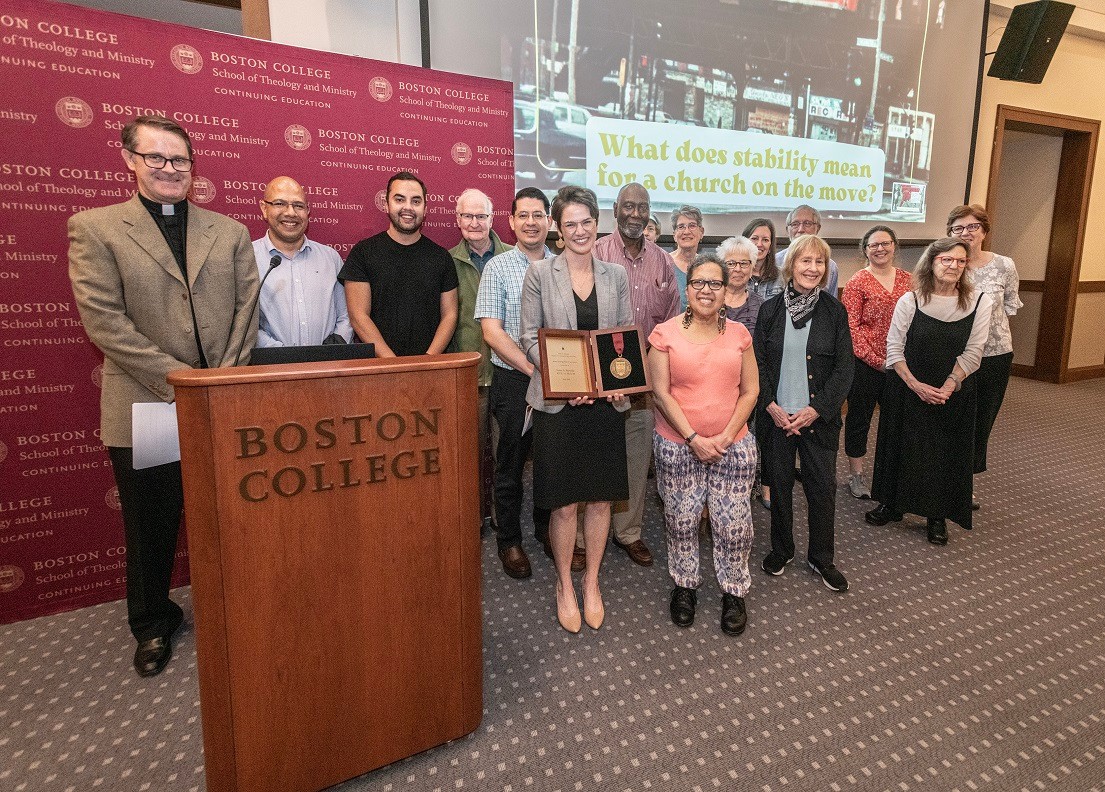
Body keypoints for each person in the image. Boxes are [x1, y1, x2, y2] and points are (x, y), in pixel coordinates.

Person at [67, 115, 259, 677]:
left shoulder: (226, 232)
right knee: (153, 521)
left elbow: (247, 310)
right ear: (130, 160)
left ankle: (240, 609)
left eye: (179, 160)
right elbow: (104, 322)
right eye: (157, 158)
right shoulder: (97, 228)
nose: (170, 169)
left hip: (223, 396)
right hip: (150, 402)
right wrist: (181, 381)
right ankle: (151, 622)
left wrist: (218, 380)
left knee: (232, 512)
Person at [519, 185, 633, 633]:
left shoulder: (615, 276)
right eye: (570, 223)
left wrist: (605, 383)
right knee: (565, 506)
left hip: (604, 404)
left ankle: (592, 582)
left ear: (597, 222)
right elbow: (530, 337)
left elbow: (624, 336)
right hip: (558, 406)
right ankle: (564, 583)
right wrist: (566, 385)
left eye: (587, 221)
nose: (580, 230)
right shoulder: (539, 275)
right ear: (556, 228)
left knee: (602, 499)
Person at [650, 254, 759, 635]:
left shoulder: (740, 335)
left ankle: (734, 591)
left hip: (734, 445)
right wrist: (694, 439)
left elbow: (751, 391)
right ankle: (684, 586)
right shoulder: (664, 334)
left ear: (726, 291)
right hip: (678, 445)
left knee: (734, 525)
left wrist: (725, 437)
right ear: (687, 287)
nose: (707, 290)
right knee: (681, 520)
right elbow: (661, 394)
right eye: (699, 282)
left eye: (716, 283)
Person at [866, 238, 993, 544]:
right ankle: (891, 504)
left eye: (960, 262)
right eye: (946, 260)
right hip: (908, 385)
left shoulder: (980, 301)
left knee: (943, 453)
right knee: (900, 446)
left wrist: (949, 384)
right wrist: (916, 385)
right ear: (932, 263)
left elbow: (975, 351)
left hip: (953, 389)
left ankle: (937, 515)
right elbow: (894, 348)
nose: (953, 266)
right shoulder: (910, 300)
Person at [754, 235, 854, 592]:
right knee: (778, 487)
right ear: (790, 266)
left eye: (819, 263)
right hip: (777, 418)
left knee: (822, 490)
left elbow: (845, 370)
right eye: (805, 261)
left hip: (817, 420)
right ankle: (782, 550)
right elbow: (758, 364)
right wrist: (770, 405)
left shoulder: (834, 311)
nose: (813, 269)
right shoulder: (769, 311)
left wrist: (817, 409)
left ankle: (822, 558)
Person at [590, 183, 680, 567]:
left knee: (635, 454)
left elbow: (674, 321)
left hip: (642, 375)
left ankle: (628, 532)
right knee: (592, 454)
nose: (635, 213)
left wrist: (648, 359)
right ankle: (581, 536)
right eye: (628, 206)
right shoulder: (593, 253)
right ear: (615, 210)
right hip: (595, 376)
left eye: (642, 207)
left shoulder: (663, 262)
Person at [475, 187, 554, 579]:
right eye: (523, 215)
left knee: (552, 462)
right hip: (512, 379)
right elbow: (492, 331)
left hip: (558, 380)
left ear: (549, 221)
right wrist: (532, 368)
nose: (530, 222)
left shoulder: (564, 267)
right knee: (509, 464)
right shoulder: (497, 268)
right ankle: (509, 540)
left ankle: (545, 531)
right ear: (511, 221)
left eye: (538, 215)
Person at [948, 204, 1022, 507]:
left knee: (982, 421)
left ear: (984, 230)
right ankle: (944, 482)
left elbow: (1008, 307)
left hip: (995, 356)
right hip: (955, 357)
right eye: (958, 228)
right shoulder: (948, 263)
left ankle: (963, 485)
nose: (966, 233)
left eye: (972, 226)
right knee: (951, 421)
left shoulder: (1004, 265)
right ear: (950, 233)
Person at [339, 171, 458, 356]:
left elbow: (449, 316)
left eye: (416, 201)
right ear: (386, 205)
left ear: (425, 209)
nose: (408, 207)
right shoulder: (363, 253)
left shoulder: (441, 257)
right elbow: (358, 316)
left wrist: (427, 361)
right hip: (380, 370)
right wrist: (393, 363)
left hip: (430, 369)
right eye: (400, 199)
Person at [448, 188, 512, 534]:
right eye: (468, 216)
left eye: (482, 216)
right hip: (467, 374)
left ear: (493, 218)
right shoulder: (446, 261)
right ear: (457, 219)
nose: (475, 223)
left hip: (507, 373)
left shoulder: (513, 257)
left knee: (508, 456)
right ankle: (473, 518)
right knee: (469, 456)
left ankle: (505, 524)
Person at [839, 226, 912, 499]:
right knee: (859, 420)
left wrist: (898, 362)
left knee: (896, 422)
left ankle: (889, 473)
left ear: (894, 246)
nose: (880, 249)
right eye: (873, 245)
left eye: (885, 243)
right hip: (867, 365)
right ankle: (856, 475)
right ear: (865, 250)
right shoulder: (858, 281)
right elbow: (852, 328)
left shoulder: (909, 280)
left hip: (902, 365)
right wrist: (877, 361)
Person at [253, 176, 351, 347]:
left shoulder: (330, 258)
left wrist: (334, 348)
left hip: (328, 366)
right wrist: (280, 354)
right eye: (280, 203)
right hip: (272, 367)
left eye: (298, 205)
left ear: (308, 211)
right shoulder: (248, 258)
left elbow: (346, 315)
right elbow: (243, 323)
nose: (290, 213)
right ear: (264, 208)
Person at [775, 206, 839, 296]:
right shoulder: (774, 262)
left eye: (807, 223)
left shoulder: (831, 267)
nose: (801, 229)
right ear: (787, 230)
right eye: (795, 224)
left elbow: (832, 306)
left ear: (818, 228)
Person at [719, 236, 764, 336]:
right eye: (731, 263)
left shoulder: (761, 306)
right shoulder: (711, 299)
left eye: (744, 263)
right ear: (721, 268)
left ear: (752, 268)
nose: (738, 269)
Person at [670, 205, 705, 310]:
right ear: (674, 235)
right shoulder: (664, 263)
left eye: (692, 225)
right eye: (681, 227)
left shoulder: (708, 266)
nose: (686, 232)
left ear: (701, 232)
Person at [744, 218, 782, 302]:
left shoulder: (782, 277)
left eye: (765, 240)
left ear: (770, 247)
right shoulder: (733, 274)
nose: (759, 244)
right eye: (754, 238)